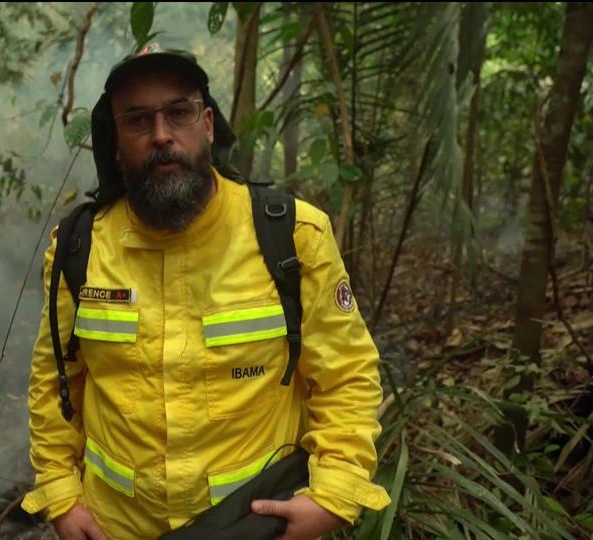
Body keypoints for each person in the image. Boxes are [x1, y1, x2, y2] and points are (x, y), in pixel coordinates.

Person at [20, 44, 391, 540]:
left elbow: (347, 376)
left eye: (179, 112)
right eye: (136, 120)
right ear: (113, 143)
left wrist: (333, 495)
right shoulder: (79, 247)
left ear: (209, 125)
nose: (161, 135)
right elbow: (55, 384)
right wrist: (62, 498)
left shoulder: (293, 235)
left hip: (251, 527)